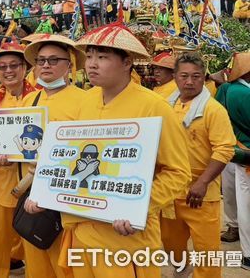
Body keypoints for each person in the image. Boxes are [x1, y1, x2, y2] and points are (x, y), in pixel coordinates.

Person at [36, 22, 190, 277]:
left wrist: (137, 206)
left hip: (126, 238)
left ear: (127, 62)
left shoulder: (154, 107)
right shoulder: (85, 102)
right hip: (82, 230)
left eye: (103, 57)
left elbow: (178, 173)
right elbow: (71, 159)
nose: (92, 64)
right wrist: (45, 188)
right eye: (90, 56)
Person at [160, 53, 235, 278]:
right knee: (170, 243)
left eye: (196, 76)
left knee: (207, 251)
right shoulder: (165, 106)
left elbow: (225, 149)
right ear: (175, 77)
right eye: (184, 76)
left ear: (204, 79)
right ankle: (183, 270)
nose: (189, 82)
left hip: (200, 193)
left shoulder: (213, 110)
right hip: (170, 190)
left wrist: (202, 182)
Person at [21, 34, 86, 278]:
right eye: (41, 61)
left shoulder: (85, 100)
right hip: (32, 192)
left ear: (69, 65)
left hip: (66, 192)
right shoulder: (30, 100)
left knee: (65, 263)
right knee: (36, 262)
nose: (46, 65)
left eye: (53, 60)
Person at [0, 42, 38, 277]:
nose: (8, 71)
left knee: (34, 241)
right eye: (2, 66)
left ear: (25, 67)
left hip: (33, 184)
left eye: (14, 65)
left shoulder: (39, 98)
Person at [216, 51, 250, 269]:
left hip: (238, 154)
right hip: (246, 156)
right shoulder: (242, 94)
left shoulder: (230, 90)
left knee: (243, 204)